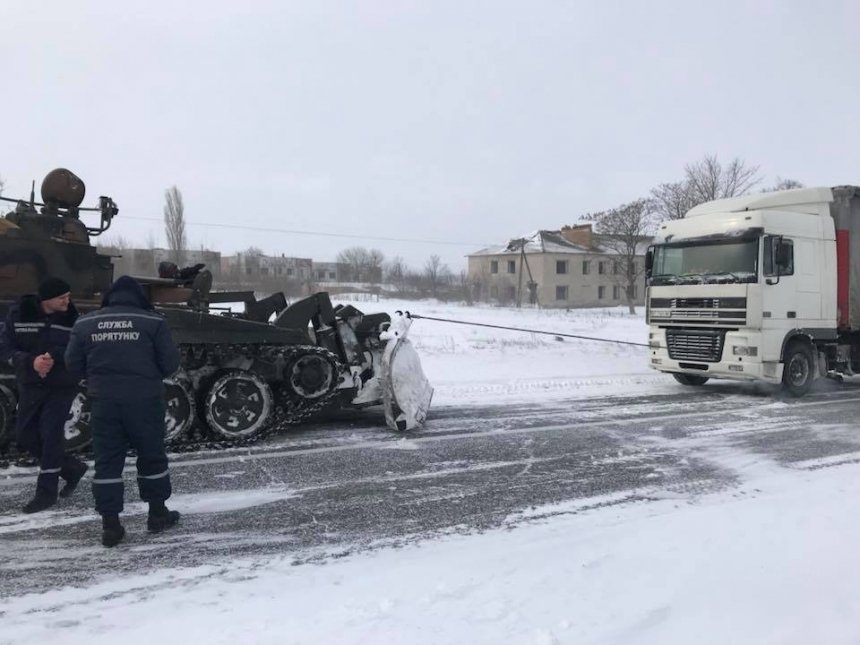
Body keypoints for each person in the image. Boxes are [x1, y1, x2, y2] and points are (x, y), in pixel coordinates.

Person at [65, 275, 181, 547]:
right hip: (145, 401)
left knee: (107, 462)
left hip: (105, 402)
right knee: (151, 457)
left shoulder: (85, 323)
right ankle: (157, 514)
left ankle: (111, 525)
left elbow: (72, 364)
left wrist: (97, 378)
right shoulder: (153, 322)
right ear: (140, 297)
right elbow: (170, 364)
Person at [0, 277, 88, 513]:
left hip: (61, 384)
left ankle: (46, 493)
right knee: (25, 435)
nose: (68, 302)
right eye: (63, 298)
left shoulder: (72, 318)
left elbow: (79, 348)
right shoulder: (19, 314)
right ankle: (71, 469)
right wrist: (31, 361)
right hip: (31, 383)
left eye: (68, 297)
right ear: (47, 299)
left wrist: (53, 356)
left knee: (51, 434)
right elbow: (5, 347)